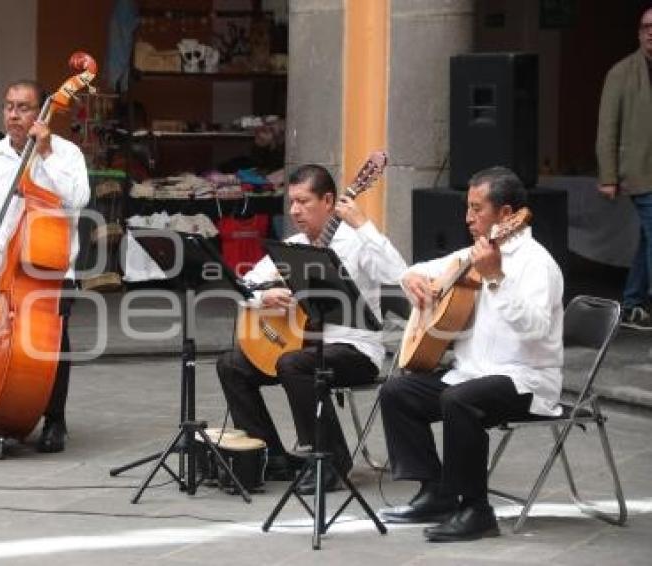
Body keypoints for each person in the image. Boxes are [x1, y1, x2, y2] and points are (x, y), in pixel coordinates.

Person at [378, 166, 563, 542]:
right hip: (471, 373)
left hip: (524, 379)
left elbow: (537, 328)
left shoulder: (537, 263)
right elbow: (416, 270)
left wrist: (496, 278)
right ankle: (436, 492)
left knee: (458, 400)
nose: (467, 218)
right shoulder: (474, 253)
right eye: (468, 207)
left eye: (477, 209)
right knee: (397, 392)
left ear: (507, 215)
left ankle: (476, 509)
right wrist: (410, 278)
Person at [216, 164, 407, 494]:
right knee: (231, 364)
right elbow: (245, 285)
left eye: (303, 201)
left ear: (329, 201)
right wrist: (265, 295)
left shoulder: (359, 241)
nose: (294, 210)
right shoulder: (292, 244)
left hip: (354, 349)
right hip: (300, 345)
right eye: (292, 202)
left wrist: (364, 225)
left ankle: (330, 460)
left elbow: (400, 276)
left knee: (294, 364)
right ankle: (272, 456)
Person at [0, 79, 90, 453]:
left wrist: (44, 154)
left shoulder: (66, 154)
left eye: (23, 107)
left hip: (48, 268)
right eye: (9, 107)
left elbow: (77, 200)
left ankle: (54, 419)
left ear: (42, 112)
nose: (14, 114)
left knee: (52, 338)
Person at [596, 5, 652, 330]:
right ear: (639, 32)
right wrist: (608, 176)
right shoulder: (622, 72)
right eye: (646, 26)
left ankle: (632, 303)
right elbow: (607, 127)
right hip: (641, 173)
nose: (651, 32)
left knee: (647, 238)